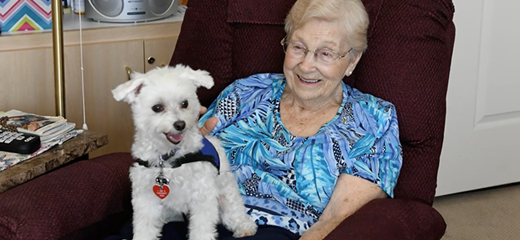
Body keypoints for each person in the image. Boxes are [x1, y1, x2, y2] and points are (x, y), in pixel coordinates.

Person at [106, 0, 402, 239]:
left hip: (272, 230)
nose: (306, 65)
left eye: (325, 53)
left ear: (352, 61)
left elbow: (336, 218)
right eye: (298, 47)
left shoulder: (373, 119)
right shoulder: (247, 91)